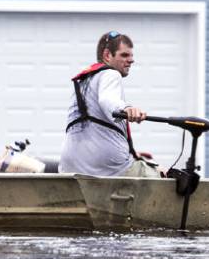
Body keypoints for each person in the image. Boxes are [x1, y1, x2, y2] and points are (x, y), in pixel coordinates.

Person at [61, 31, 157, 177]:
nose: (131, 60)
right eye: (124, 55)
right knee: (163, 177)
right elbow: (108, 100)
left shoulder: (84, 81)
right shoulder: (111, 74)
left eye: (131, 55)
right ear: (107, 55)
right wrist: (126, 109)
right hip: (107, 167)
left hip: (70, 165)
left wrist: (132, 152)